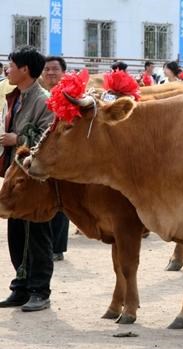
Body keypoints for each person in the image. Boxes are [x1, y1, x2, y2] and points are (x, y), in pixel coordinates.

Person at [0, 46, 54, 311]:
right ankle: (20, 287)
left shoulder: (44, 100)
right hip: (16, 176)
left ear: (25, 69)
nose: (7, 69)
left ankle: (40, 291)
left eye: (10, 65)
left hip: (34, 181)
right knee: (16, 233)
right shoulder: (16, 97)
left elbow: (48, 138)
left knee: (37, 234)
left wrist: (17, 139)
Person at [39, 56, 71, 262]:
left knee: (62, 201)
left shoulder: (72, 95)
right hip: (42, 156)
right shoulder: (39, 96)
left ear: (63, 72)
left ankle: (57, 248)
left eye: (55, 69)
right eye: (47, 69)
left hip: (64, 156)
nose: (50, 73)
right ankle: (45, 246)